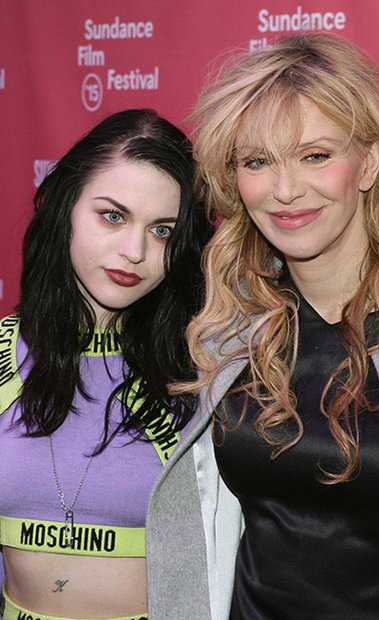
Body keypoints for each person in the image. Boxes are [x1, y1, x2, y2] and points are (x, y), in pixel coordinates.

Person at [145, 34, 379, 619]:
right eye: (257, 162)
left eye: (315, 155)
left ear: (371, 163)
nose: (285, 190)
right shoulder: (227, 326)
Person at [0, 108, 212, 620]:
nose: (135, 251)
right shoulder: (4, 352)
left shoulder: (204, 369)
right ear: (67, 207)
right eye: (113, 216)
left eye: (162, 231)